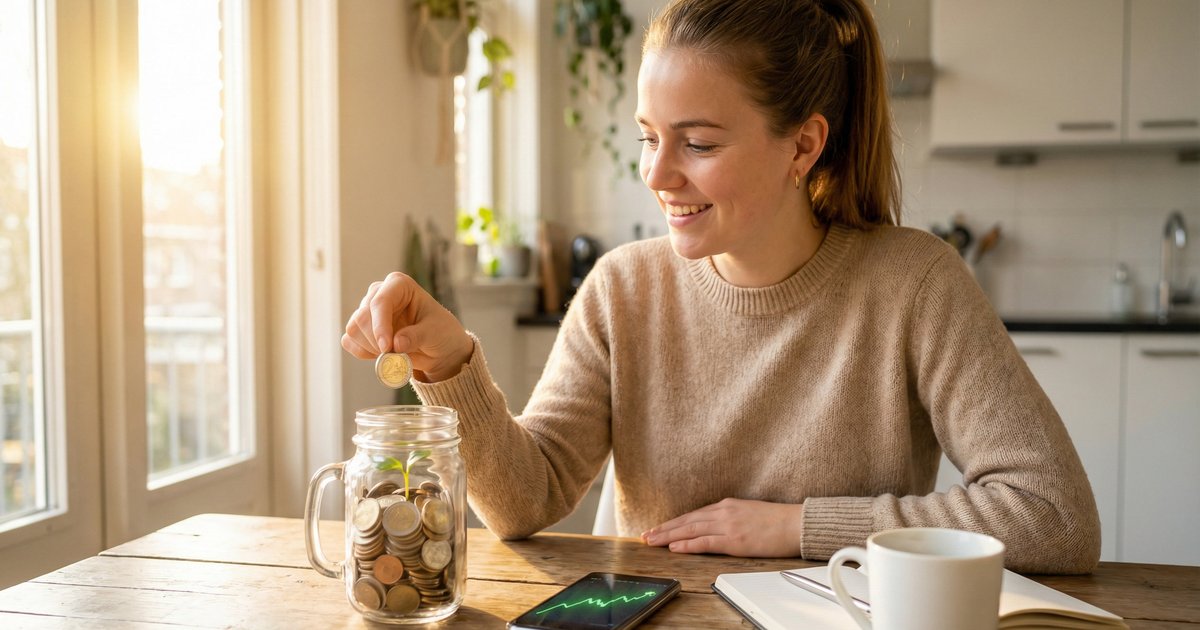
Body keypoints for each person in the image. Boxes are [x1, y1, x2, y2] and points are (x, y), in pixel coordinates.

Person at [342, 0, 1100, 574]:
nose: (657, 174)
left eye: (698, 143)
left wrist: (796, 527)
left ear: (802, 145)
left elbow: (1055, 516)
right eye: (648, 135)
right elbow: (524, 501)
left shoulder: (915, 284)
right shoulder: (623, 289)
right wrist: (450, 367)